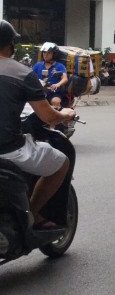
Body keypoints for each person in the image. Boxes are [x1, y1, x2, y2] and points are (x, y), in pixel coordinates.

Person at [0, 22, 75, 226]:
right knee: (62, 163)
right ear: (11, 45)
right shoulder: (23, 72)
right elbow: (48, 117)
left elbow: (61, 82)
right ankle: (31, 215)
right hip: (9, 149)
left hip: (52, 93)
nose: (46, 55)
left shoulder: (55, 68)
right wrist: (65, 114)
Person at [32, 42, 69, 108]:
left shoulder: (60, 66)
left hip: (54, 91)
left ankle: (56, 113)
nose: (46, 55)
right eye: (44, 52)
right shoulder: (38, 65)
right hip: (40, 90)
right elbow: (30, 75)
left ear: (54, 54)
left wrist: (57, 84)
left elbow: (65, 78)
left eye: (48, 53)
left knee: (55, 101)